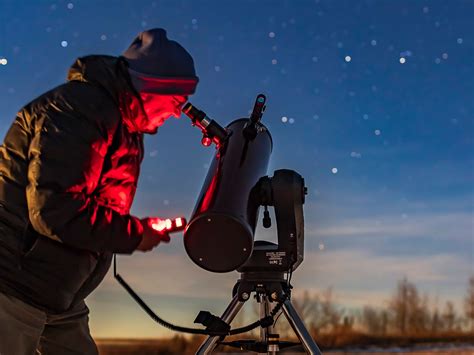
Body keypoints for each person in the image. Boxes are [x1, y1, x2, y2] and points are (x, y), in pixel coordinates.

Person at [0, 28, 199, 354]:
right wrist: (134, 234)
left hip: (58, 289)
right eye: (176, 100)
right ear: (151, 87)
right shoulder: (79, 110)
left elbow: (93, 203)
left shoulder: (122, 124)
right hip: (15, 284)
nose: (178, 112)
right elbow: (54, 209)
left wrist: (140, 229)